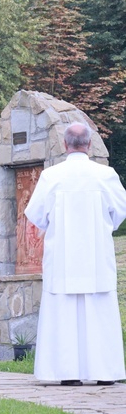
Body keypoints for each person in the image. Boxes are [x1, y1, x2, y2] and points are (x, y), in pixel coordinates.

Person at [24, 122, 126, 386]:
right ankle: (105, 373)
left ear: (65, 145)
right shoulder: (106, 175)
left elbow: (36, 216)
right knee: (99, 314)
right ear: (89, 145)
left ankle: (66, 373)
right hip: (96, 256)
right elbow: (119, 214)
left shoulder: (52, 176)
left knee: (64, 315)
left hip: (63, 258)